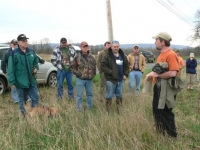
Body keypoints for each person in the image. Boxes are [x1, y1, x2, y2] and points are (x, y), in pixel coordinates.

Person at [146, 32, 179, 137]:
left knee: (165, 111)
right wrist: (154, 75)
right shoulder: (161, 54)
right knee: (156, 110)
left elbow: (173, 73)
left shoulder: (171, 54)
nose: (155, 42)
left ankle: (172, 136)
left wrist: (156, 74)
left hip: (167, 88)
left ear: (162, 42)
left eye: (156, 40)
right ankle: (161, 134)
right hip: (158, 87)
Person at [7, 34, 39, 116]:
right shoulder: (14, 54)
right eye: (23, 41)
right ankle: (23, 114)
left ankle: (34, 114)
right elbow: (11, 68)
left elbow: (36, 61)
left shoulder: (31, 51)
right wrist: (12, 82)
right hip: (20, 82)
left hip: (31, 80)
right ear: (19, 43)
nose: (26, 42)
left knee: (35, 97)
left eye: (26, 41)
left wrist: (36, 68)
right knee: (21, 99)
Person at [101, 40, 129, 113]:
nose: (116, 48)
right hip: (111, 80)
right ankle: (108, 111)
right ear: (111, 47)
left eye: (117, 46)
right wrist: (111, 72)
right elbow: (103, 66)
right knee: (109, 96)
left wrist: (125, 74)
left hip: (120, 80)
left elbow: (127, 66)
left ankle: (119, 110)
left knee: (119, 95)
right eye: (114, 47)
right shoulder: (107, 56)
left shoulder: (122, 56)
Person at [71, 41, 96, 110]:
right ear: (81, 47)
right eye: (84, 47)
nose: (85, 48)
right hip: (80, 80)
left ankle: (90, 108)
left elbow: (94, 66)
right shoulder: (77, 56)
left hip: (89, 80)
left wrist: (93, 75)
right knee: (79, 96)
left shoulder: (91, 57)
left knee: (90, 95)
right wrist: (79, 74)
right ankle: (79, 109)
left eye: (86, 46)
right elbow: (72, 68)